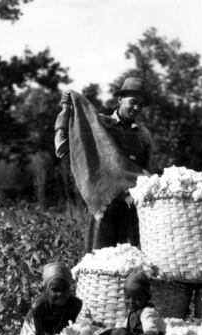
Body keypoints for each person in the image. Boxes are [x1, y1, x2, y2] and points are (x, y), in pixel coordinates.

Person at [54, 77, 153, 253]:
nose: (137, 108)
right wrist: (66, 111)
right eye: (133, 102)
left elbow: (144, 173)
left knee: (128, 264)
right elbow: (63, 149)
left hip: (131, 210)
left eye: (141, 105)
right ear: (120, 99)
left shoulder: (143, 135)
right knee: (98, 263)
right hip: (102, 208)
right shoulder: (99, 124)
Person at [19, 262, 83, 335]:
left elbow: (70, 329)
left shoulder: (76, 304)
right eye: (55, 290)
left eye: (65, 288)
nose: (60, 294)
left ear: (70, 287)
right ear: (46, 289)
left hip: (57, 334)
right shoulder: (38, 306)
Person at [92, 271, 165, 335]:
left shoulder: (147, 311)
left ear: (147, 298)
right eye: (127, 297)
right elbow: (125, 328)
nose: (131, 302)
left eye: (137, 299)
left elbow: (150, 328)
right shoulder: (134, 311)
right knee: (119, 331)